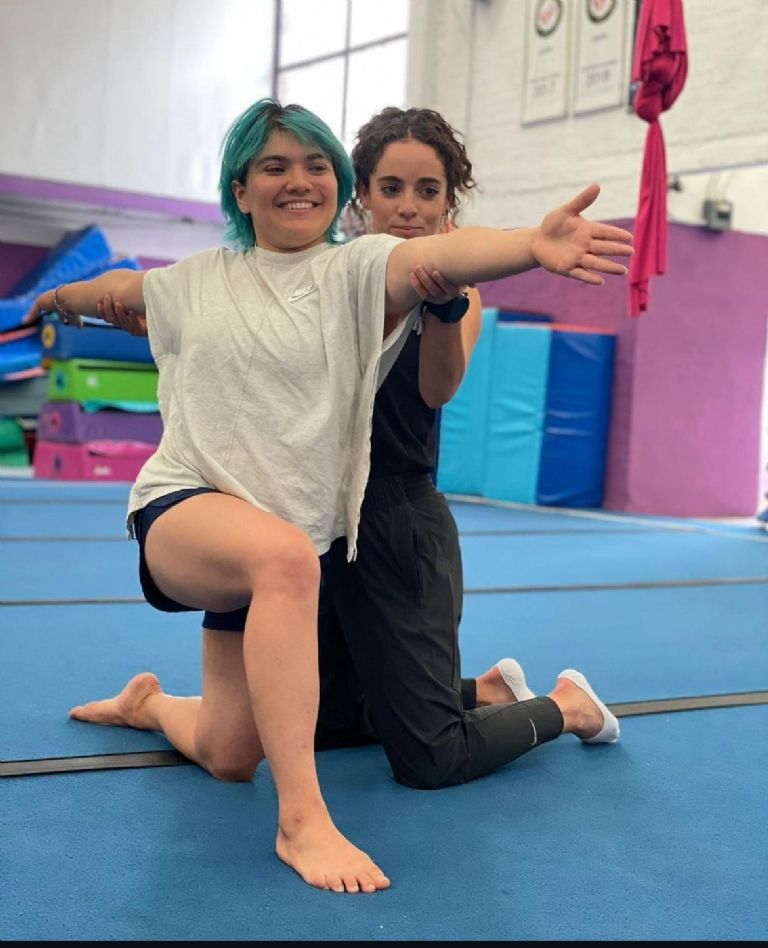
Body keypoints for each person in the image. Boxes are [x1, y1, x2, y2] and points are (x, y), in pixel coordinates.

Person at [23, 98, 632, 891]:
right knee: (285, 570)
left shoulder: (366, 273)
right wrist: (62, 300)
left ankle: (150, 704)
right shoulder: (209, 277)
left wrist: (529, 245)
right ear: (243, 190)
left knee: (234, 752)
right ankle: (302, 821)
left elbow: (441, 286)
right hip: (222, 515)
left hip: (340, 522)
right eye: (275, 167)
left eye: (315, 166)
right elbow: (131, 287)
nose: (298, 180)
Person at [314, 106, 621, 789]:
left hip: (398, 521)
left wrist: (446, 306)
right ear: (362, 197)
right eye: (391, 188)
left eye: (427, 191)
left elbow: (437, 389)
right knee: (325, 722)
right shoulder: (335, 274)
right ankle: (483, 689)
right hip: (323, 521)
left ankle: (567, 705)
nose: (409, 206)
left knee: (432, 759)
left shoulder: (461, 290)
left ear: (448, 203)